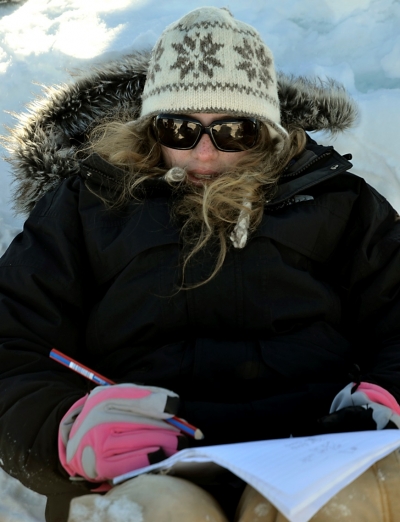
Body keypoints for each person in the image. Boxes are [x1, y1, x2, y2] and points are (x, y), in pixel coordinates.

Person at [1, 6, 400, 522]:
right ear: (152, 129)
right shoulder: (85, 206)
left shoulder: (340, 202)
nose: (206, 156)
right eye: (180, 129)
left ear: (268, 132)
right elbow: (13, 344)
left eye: (234, 132)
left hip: (321, 453)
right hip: (148, 469)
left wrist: (387, 398)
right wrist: (66, 428)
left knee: (344, 508)